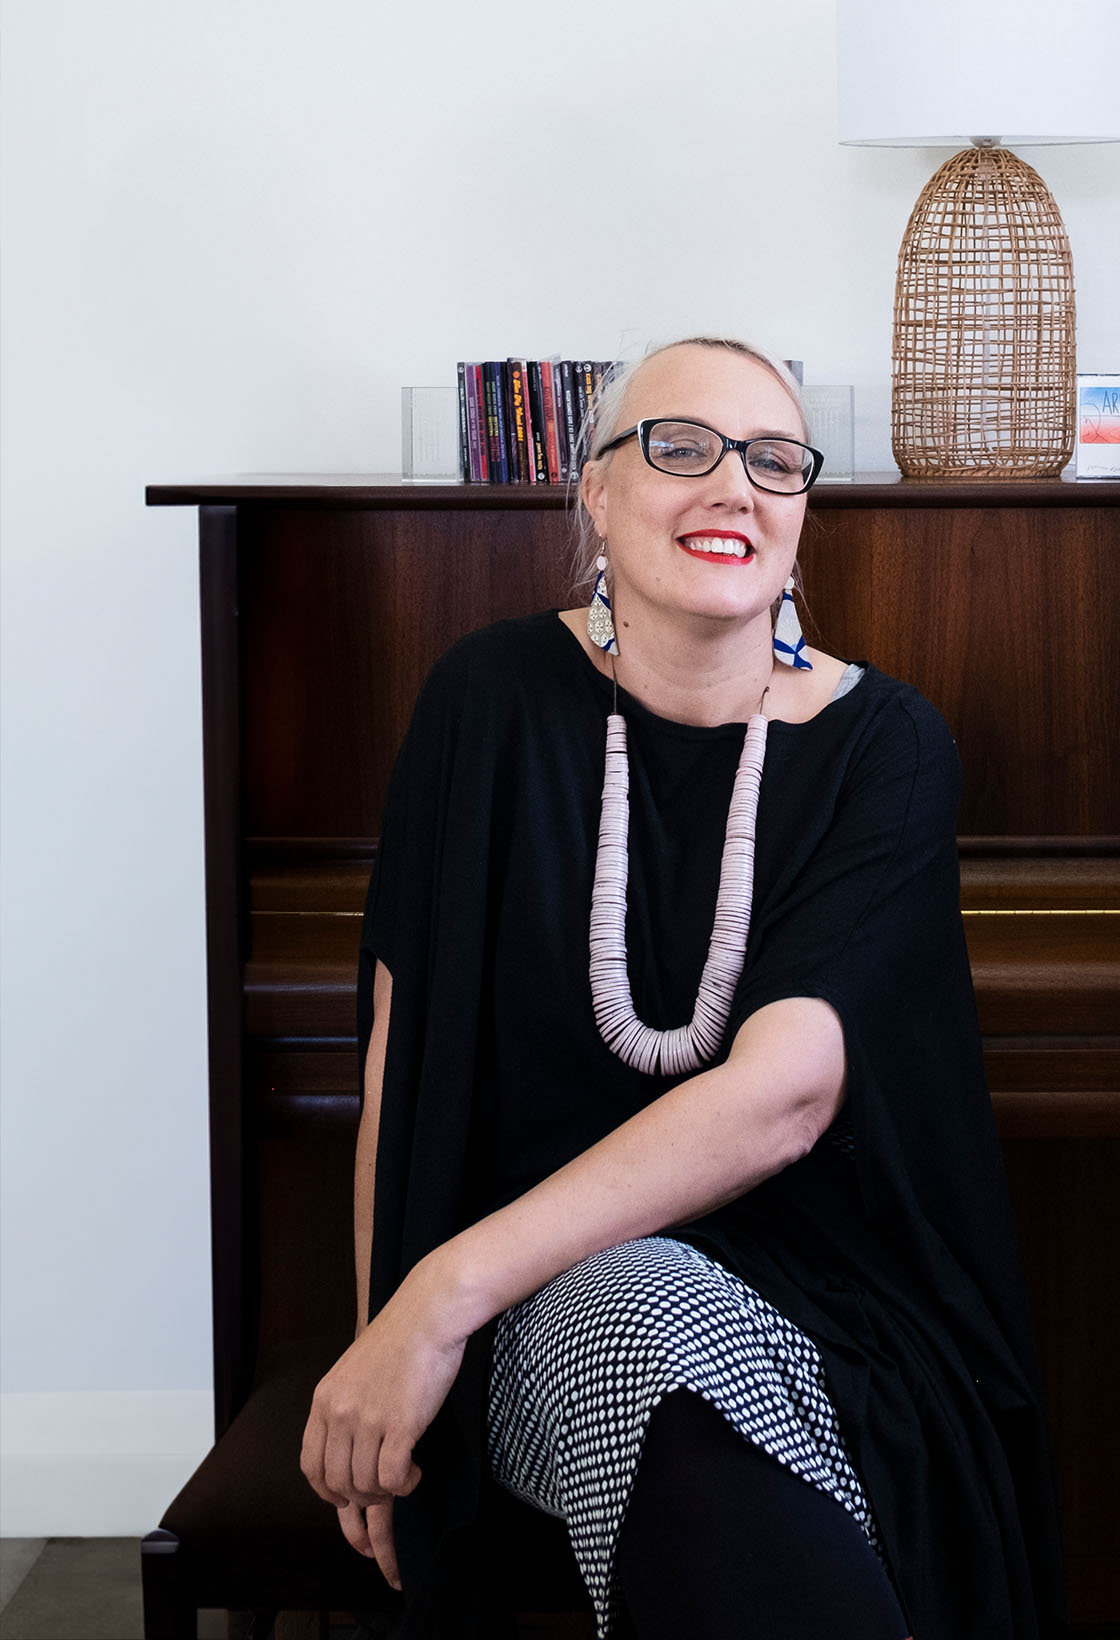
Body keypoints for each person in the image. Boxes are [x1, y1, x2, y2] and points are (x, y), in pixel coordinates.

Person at [300, 337, 1067, 1640]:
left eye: (773, 460)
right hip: (530, 1294)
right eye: (679, 447)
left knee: (646, 1316)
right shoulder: (483, 701)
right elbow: (399, 1063)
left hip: (834, 1303)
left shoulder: (887, 743)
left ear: (802, 510)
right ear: (590, 492)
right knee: (626, 1308)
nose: (733, 486)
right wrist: (388, 1342)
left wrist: (439, 1297)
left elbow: (783, 1096)